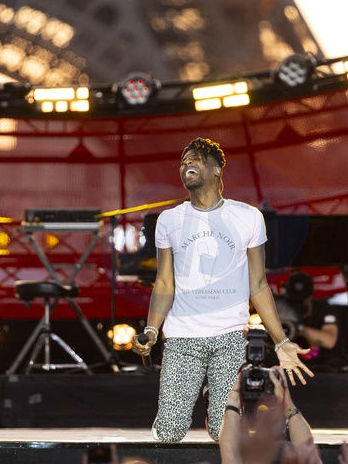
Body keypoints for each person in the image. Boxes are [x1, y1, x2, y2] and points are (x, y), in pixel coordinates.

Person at [132, 137, 313, 442]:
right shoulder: (169, 220)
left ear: (216, 169)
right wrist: (151, 330)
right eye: (184, 161)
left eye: (195, 159)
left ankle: (215, 406)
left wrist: (281, 342)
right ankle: (184, 411)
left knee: (223, 433)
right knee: (169, 433)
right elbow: (164, 282)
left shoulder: (248, 217)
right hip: (182, 337)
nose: (187, 163)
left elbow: (258, 284)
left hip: (229, 337)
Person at [277, 270, 346, 372]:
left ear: (310, 297)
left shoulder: (323, 310)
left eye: (301, 300)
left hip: (324, 368)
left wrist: (299, 328)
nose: (298, 304)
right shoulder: (283, 310)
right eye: (294, 300)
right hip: (291, 366)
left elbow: (329, 341)